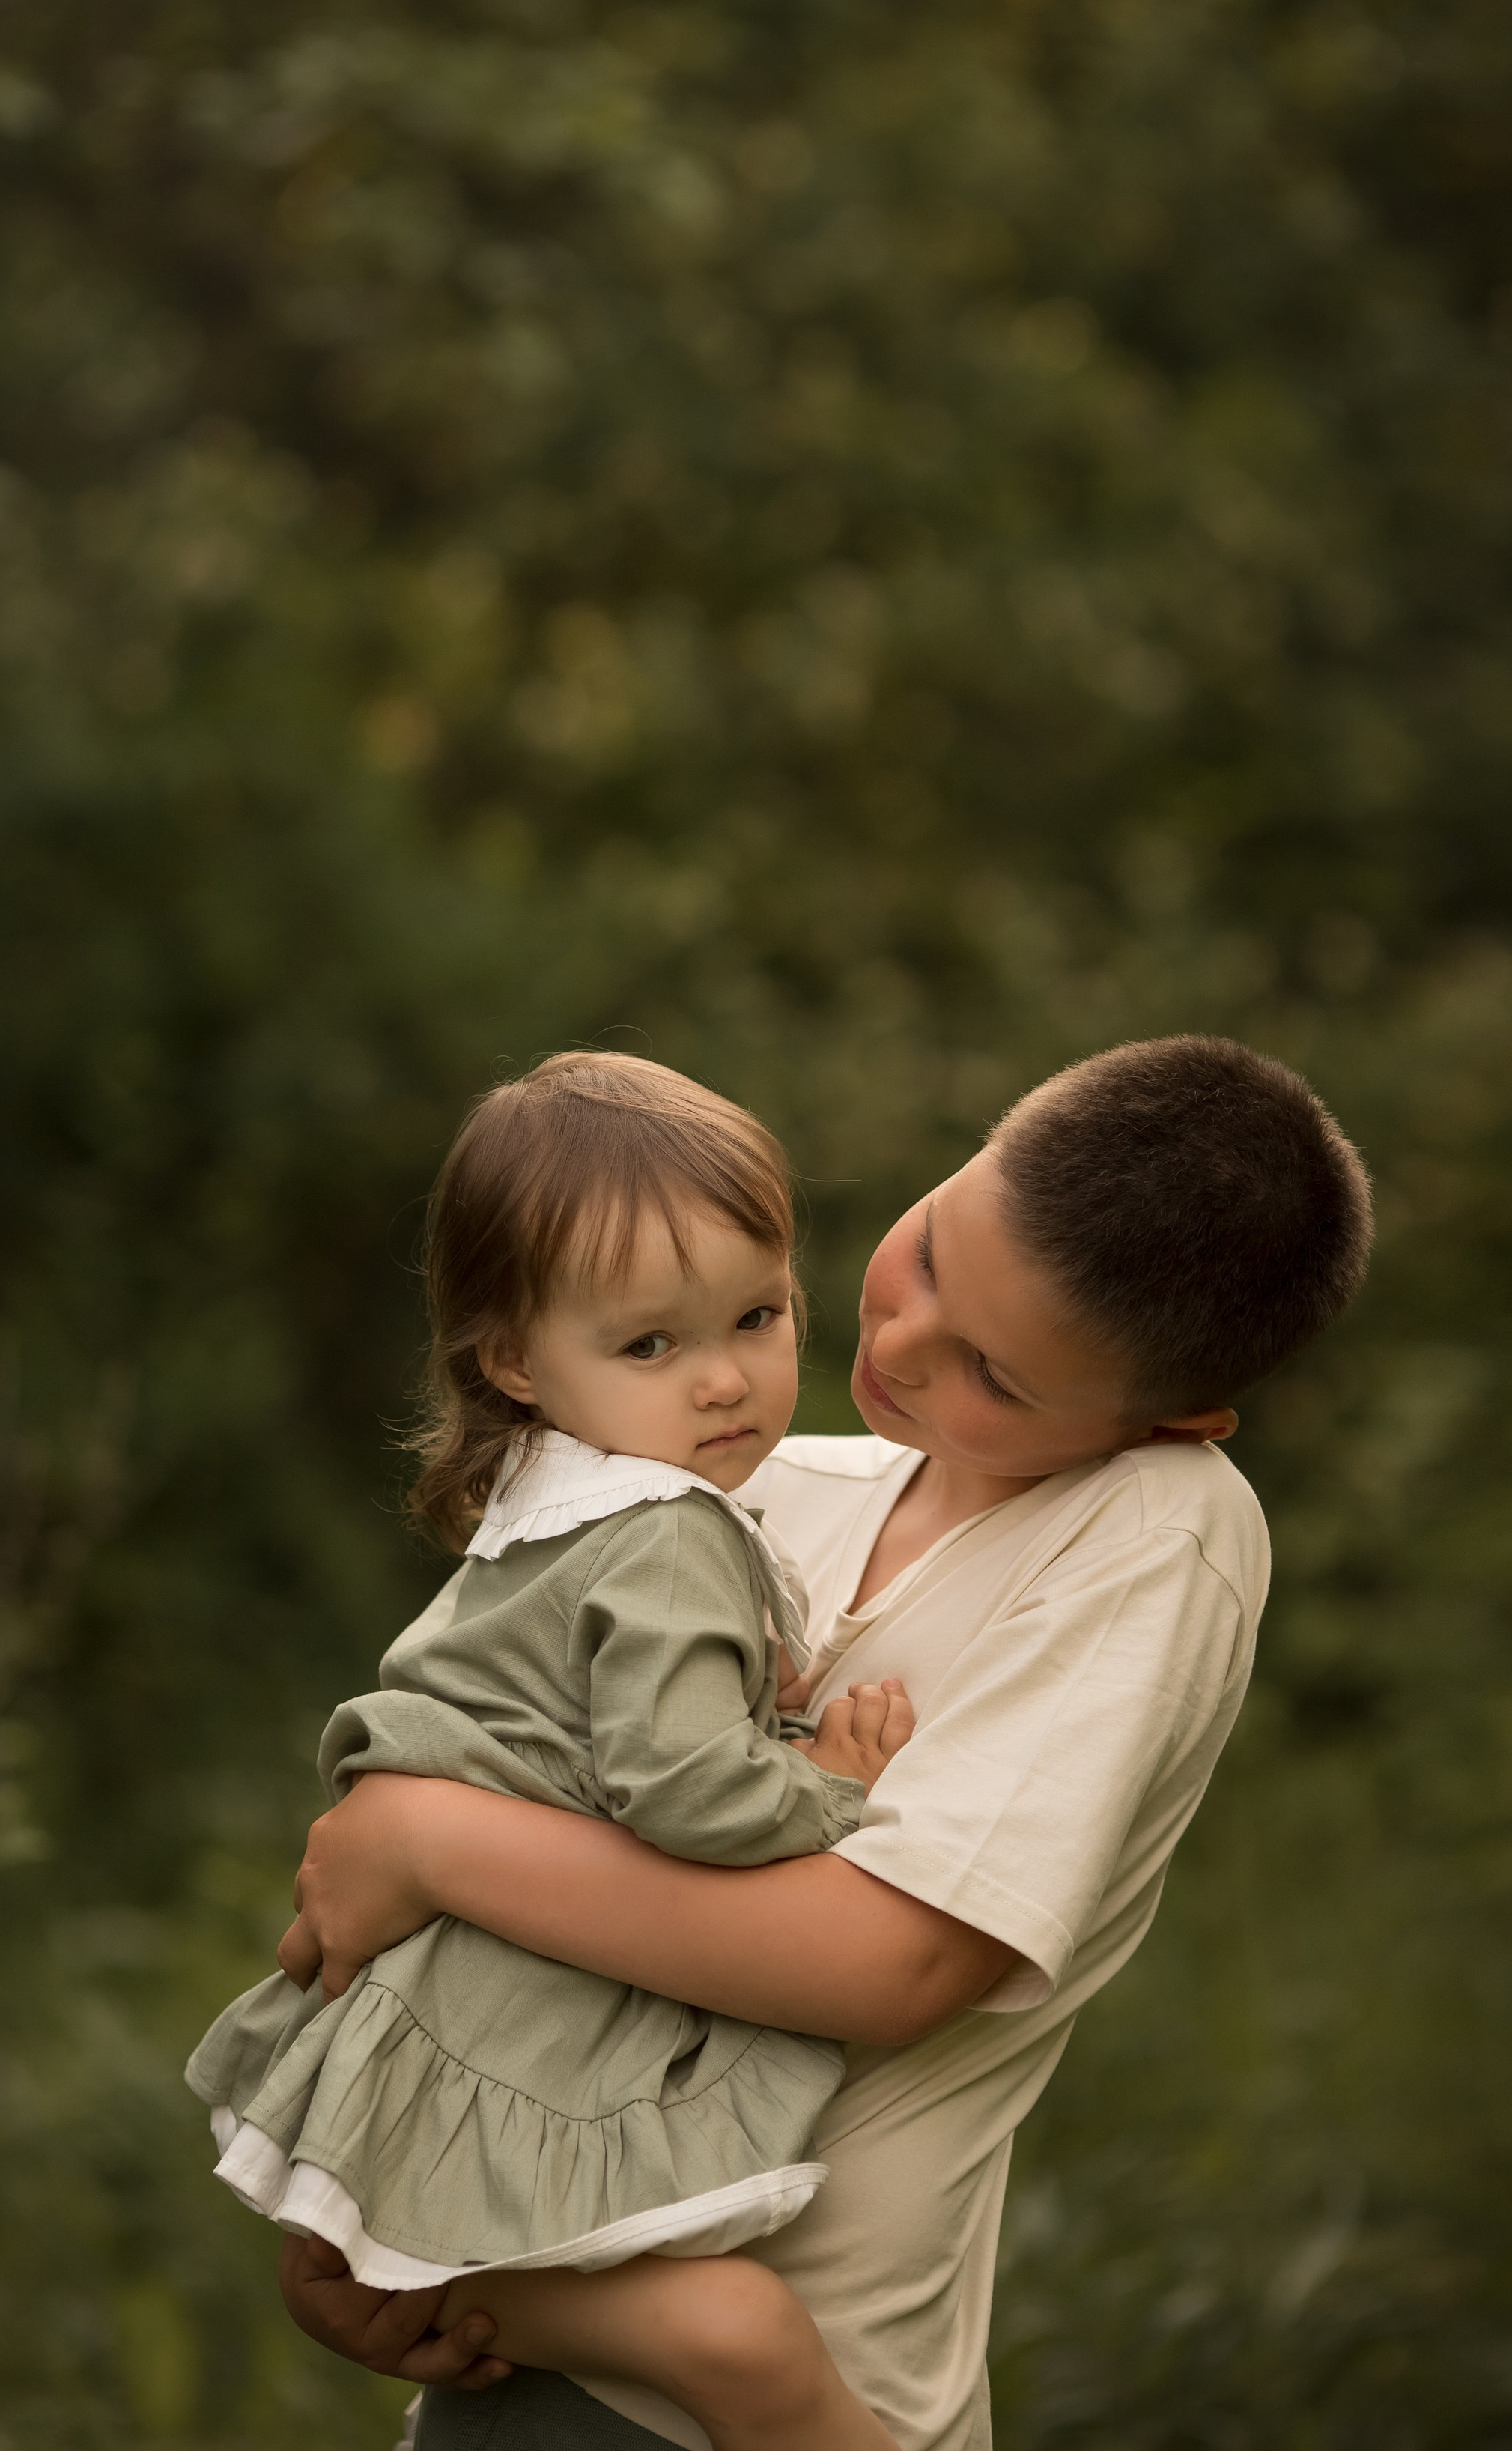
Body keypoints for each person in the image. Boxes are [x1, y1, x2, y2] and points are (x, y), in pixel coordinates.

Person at [270, 1035, 1373, 2451]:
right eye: (927, 1252)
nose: (897, 1346)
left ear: (1167, 1422)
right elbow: (492, 1752)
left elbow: (890, 1960)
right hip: (510, 2316)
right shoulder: (744, 1487)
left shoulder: (1159, 1526)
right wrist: (356, 2221)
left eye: (994, 1373)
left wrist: (429, 1842)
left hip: (793, 2389)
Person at [189, 1052, 920, 2451]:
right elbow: (685, 1786)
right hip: (522, 1990)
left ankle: (463, 2280)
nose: (724, 1379)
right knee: (742, 2336)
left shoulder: (550, 1499)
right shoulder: (667, 1529)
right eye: (650, 1345)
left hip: (456, 1966)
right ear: (515, 1357)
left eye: (759, 1315)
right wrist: (831, 1779)